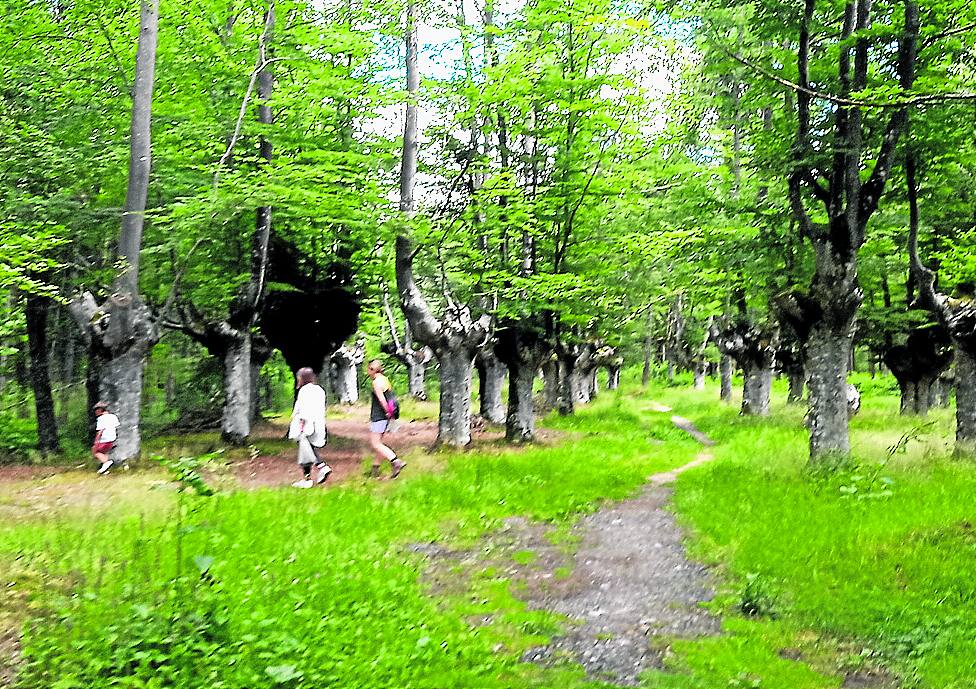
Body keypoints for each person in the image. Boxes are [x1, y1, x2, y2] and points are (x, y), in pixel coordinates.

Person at [288, 367, 332, 488]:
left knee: (306, 450)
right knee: (307, 450)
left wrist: (301, 426)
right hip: (318, 424)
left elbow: (303, 409)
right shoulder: (319, 390)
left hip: (307, 425)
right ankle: (309, 477)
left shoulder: (304, 391)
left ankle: (320, 468)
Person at [366, 359, 405, 479]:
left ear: (372, 370)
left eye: (368, 369)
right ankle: (375, 469)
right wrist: (390, 414)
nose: (367, 371)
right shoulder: (384, 379)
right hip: (386, 416)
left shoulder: (376, 382)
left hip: (379, 416)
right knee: (379, 443)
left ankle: (395, 461)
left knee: (376, 444)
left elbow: (382, 399)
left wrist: (387, 412)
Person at [92, 402, 120, 475]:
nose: (95, 412)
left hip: (104, 439)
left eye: (96, 410)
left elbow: (100, 431)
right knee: (104, 452)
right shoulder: (113, 416)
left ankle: (106, 463)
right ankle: (105, 470)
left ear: (100, 410)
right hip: (112, 438)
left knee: (96, 452)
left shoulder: (101, 419)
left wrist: (96, 441)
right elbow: (116, 426)